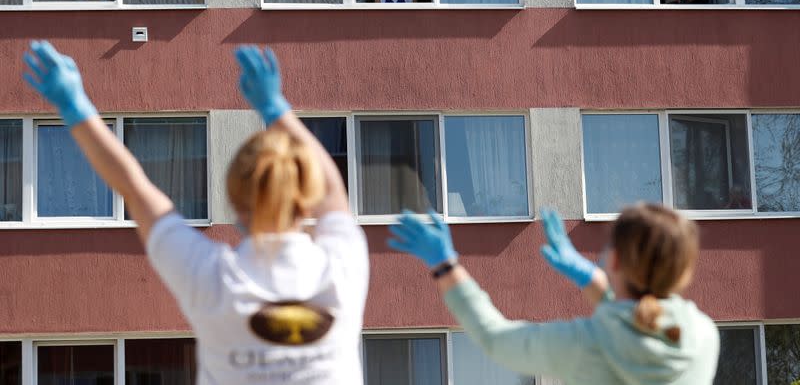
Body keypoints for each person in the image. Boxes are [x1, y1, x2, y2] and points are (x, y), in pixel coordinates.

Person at [23, 41, 369, 384]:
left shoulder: (213, 279)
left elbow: (134, 188)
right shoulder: (342, 268)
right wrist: (276, 108)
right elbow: (334, 193)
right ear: (307, 199)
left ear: (234, 203)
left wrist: (75, 105)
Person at [388, 204, 719, 384]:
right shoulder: (703, 334)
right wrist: (594, 283)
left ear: (615, 260)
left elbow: (495, 338)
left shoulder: (585, 344)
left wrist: (446, 267)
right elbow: (639, 326)